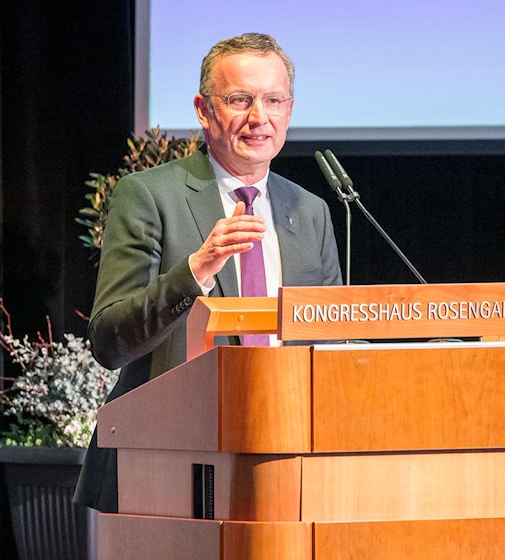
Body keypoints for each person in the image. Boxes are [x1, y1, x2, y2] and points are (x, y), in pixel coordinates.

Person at [74, 33, 342, 513]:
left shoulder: (312, 211)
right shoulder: (149, 196)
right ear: (203, 109)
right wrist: (195, 270)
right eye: (240, 99)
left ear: (290, 109)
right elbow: (109, 341)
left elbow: (330, 341)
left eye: (273, 100)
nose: (259, 117)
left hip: (288, 460)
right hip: (167, 463)